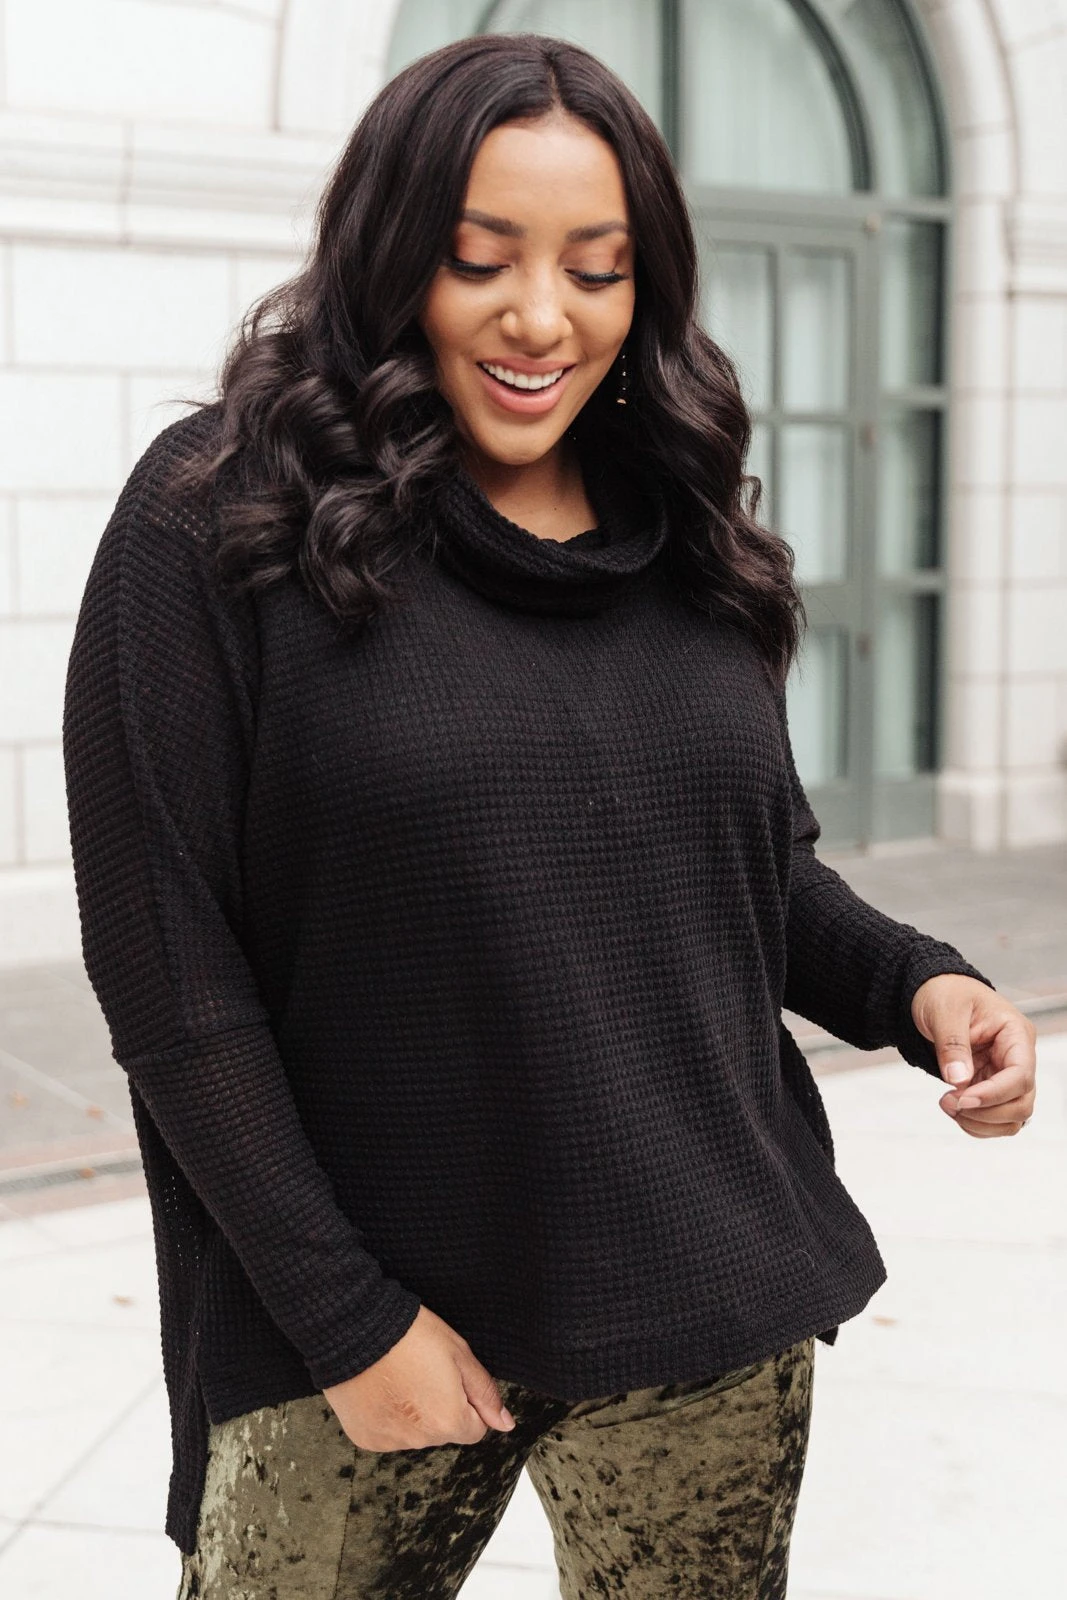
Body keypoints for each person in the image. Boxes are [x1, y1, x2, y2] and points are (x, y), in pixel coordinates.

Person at [62, 32, 1038, 1600]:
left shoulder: (686, 526)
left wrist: (917, 985)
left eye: (596, 268)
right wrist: (348, 1321)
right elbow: (169, 972)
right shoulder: (215, 516)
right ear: (390, 255)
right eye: (480, 260)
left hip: (702, 1305)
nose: (541, 317)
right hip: (369, 1336)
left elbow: (748, 872)